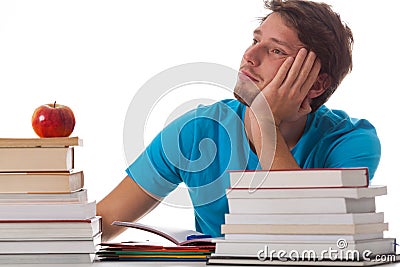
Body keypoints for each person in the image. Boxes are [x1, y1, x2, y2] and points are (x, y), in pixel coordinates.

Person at [97, 0, 381, 242]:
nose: (249, 55)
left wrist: (264, 125)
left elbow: (319, 238)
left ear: (316, 85)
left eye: (276, 50)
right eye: (256, 40)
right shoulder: (196, 130)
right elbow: (106, 221)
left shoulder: (352, 141)